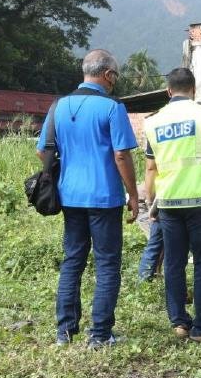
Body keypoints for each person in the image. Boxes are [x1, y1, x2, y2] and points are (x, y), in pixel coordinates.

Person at [37, 49, 139, 349]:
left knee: (72, 261)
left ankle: (64, 332)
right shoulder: (112, 107)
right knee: (107, 264)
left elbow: (43, 149)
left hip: (69, 196)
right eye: (115, 76)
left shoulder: (58, 106)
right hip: (104, 197)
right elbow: (121, 154)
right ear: (107, 75)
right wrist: (133, 194)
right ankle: (100, 334)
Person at [144, 68, 201, 350]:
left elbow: (150, 167)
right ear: (193, 90)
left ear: (168, 91)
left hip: (169, 204)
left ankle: (179, 323)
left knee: (173, 263)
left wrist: (151, 203)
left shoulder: (153, 121)